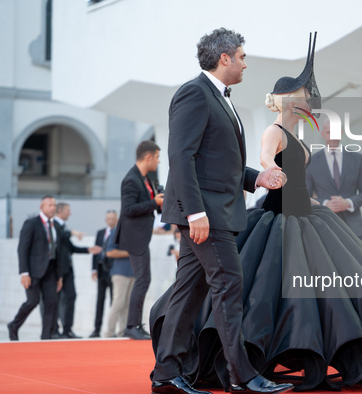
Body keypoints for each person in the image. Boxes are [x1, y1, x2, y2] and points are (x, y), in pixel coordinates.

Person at [150, 28, 290, 394]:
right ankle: (241, 375)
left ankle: (166, 374)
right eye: (242, 56)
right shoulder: (194, 93)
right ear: (224, 58)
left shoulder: (220, 98)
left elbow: (217, 162)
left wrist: (258, 178)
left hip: (215, 212)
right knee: (229, 284)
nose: (246, 62)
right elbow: (181, 156)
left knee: (190, 290)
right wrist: (195, 213)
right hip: (205, 216)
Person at [116, 140, 164, 340]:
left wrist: (157, 202)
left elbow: (146, 205)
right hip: (135, 237)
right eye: (158, 157)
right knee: (143, 279)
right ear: (148, 157)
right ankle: (132, 325)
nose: (159, 162)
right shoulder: (131, 180)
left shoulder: (144, 178)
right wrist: (154, 202)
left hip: (141, 237)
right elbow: (128, 209)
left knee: (143, 279)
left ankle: (134, 324)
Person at [305, 120, 362, 239]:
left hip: (353, 227)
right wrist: (325, 204)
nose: (333, 137)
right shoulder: (312, 162)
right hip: (324, 224)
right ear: (323, 134)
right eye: (329, 132)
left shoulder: (357, 158)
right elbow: (306, 195)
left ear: (341, 133)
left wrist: (348, 203)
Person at [8, 196, 62, 340]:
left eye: (54, 205)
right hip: (33, 272)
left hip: (51, 271)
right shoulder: (31, 223)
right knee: (32, 302)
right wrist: (24, 272)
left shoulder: (55, 226)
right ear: (42, 207)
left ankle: (46, 338)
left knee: (51, 304)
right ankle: (14, 325)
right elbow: (22, 249)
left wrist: (60, 276)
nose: (53, 207)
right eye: (50, 205)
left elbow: (57, 252)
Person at [52, 202, 102, 339]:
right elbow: (60, 235)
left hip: (68, 270)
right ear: (60, 211)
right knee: (54, 300)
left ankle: (67, 330)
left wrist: (88, 250)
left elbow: (71, 247)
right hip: (56, 270)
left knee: (71, 297)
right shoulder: (54, 226)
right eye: (68, 210)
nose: (70, 213)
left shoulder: (63, 228)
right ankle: (54, 330)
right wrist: (72, 232)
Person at [89, 210, 117, 338]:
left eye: (113, 219)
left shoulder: (118, 233)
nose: (111, 221)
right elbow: (95, 252)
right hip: (101, 271)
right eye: (109, 219)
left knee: (114, 301)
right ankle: (96, 329)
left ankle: (112, 330)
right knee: (100, 301)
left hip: (113, 271)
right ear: (106, 220)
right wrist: (94, 270)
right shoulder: (100, 233)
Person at [104, 224, 135, 338]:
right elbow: (110, 251)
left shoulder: (134, 229)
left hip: (132, 272)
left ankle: (122, 332)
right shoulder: (118, 230)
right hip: (120, 273)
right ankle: (109, 333)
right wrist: (131, 253)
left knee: (127, 305)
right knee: (118, 303)